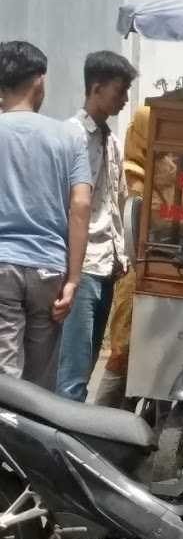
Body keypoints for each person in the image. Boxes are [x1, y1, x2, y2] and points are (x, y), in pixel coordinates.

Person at [0, 41, 93, 391]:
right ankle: (29, 444)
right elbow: (81, 206)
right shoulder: (69, 137)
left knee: (4, 380)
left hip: (2, 268)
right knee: (39, 387)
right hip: (49, 271)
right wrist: (73, 279)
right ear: (40, 81)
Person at [56, 50, 137, 402]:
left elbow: (116, 202)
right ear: (97, 87)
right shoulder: (69, 136)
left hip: (107, 266)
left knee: (86, 367)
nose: (124, 100)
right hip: (83, 265)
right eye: (120, 91)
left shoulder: (111, 140)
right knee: (72, 372)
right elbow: (66, 204)